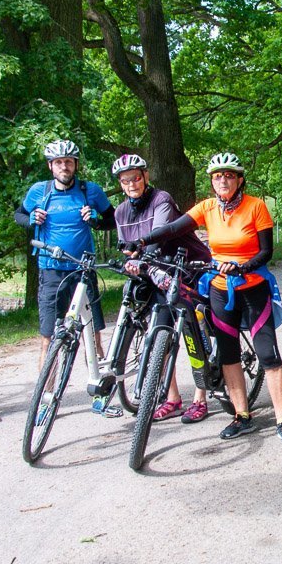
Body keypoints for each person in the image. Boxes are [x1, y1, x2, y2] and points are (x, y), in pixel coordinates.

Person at [142, 153, 282, 446]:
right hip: (219, 288)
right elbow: (174, 228)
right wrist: (143, 241)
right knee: (228, 354)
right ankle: (242, 415)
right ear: (212, 182)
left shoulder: (256, 207)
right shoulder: (208, 207)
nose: (223, 181)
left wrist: (243, 266)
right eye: (217, 177)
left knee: (268, 354)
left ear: (239, 180)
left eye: (228, 175)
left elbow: (266, 252)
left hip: (253, 287)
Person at [110, 153, 212, 422]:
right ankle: (173, 398)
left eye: (135, 178)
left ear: (145, 177)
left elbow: (157, 236)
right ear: (120, 184)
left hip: (186, 267)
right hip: (154, 275)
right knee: (159, 337)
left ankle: (200, 398)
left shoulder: (161, 199)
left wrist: (139, 258)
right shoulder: (120, 211)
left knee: (191, 330)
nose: (131, 184)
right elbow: (127, 248)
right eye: (125, 180)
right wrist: (129, 263)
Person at [14, 140, 115, 367]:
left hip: (83, 269)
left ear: (75, 165)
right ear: (51, 166)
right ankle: (45, 396)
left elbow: (113, 218)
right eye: (58, 162)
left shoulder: (90, 191)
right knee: (47, 337)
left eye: (68, 162)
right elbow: (18, 215)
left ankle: (99, 385)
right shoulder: (39, 191)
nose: (64, 167)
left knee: (93, 334)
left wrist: (95, 221)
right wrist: (30, 219)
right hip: (50, 269)